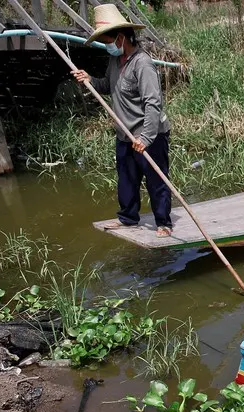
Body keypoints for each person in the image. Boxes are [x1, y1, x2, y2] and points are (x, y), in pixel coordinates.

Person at [72, 5, 172, 238]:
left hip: (150, 133)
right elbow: (108, 86)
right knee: (127, 179)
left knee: (156, 180)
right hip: (124, 133)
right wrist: (89, 80)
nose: (107, 46)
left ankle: (164, 223)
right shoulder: (115, 62)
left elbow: (153, 104)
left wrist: (146, 138)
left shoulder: (142, 64)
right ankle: (128, 218)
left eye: (108, 40)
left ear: (121, 38)